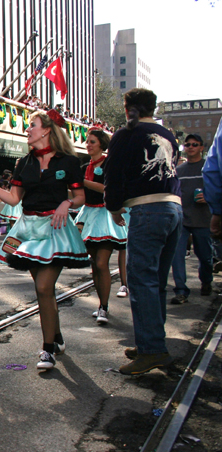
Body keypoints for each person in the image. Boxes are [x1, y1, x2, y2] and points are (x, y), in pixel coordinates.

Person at [0, 109, 89, 371]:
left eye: (32, 125)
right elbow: (14, 199)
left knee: (43, 288)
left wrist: (67, 202)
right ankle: (56, 336)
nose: (27, 130)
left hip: (55, 229)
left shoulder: (68, 162)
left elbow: (80, 197)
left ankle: (47, 349)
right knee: (44, 292)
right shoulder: (23, 163)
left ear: (47, 130)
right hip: (27, 231)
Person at [104, 88, 182, 375]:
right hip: (174, 208)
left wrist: (113, 207)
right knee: (157, 281)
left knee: (141, 280)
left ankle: (152, 350)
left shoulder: (126, 134)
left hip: (148, 209)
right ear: (153, 107)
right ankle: (152, 341)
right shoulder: (168, 134)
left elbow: (113, 174)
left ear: (127, 109)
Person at [74, 128, 129, 326]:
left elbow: (109, 189)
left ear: (102, 144)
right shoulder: (82, 167)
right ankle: (101, 304)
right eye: (87, 141)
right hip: (88, 215)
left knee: (101, 262)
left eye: (92, 142)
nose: (88, 144)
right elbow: (78, 196)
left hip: (106, 215)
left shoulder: (109, 163)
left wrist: (83, 182)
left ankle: (104, 307)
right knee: (94, 265)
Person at [170, 133, 213, 304]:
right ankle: (181, 290)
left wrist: (208, 197)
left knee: (205, 255)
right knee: (177, 255)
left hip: (203, 219)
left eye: (194, 144)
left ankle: (207, 281)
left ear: (202, 147)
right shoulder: (179, 171)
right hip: (182, 219)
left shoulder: (209, 169)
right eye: (187, 145)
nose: (190, 147)